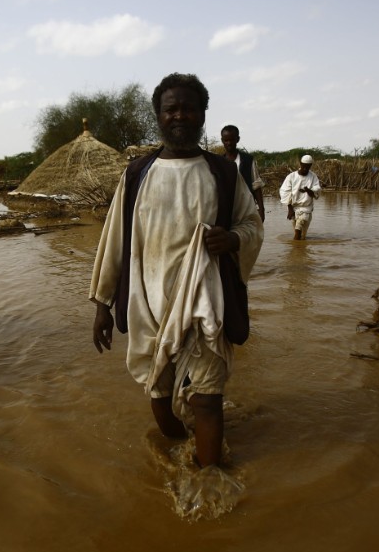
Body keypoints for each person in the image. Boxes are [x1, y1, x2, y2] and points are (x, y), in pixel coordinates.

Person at [89, 73, 263, 468]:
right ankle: (180, 450)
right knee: (161, 400)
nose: (180, 115)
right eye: (171, 109)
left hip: (206, 304)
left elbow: (252, 224)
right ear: (159, 116)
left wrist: (232, 240)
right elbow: (114, 239)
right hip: (148, 304)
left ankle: (208, 477)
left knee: (207, 398)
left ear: (202, 115)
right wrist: (101, 303)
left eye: (189, 108)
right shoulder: (137, 174)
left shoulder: (223, 173)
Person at [220, 125, 265, 222]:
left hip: (247, 208)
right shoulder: (219, 162)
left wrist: (261, 209)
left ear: (238, 139)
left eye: (232, 140)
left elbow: (256, 185)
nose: (229, 143)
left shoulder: (248, 160)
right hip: (227, 210)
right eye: (226, 140)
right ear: (222, 140)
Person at [279, 154, 322, 240]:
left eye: (308, 167)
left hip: (306, 208)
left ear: (310, 166)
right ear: (300, 164)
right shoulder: (291, 177)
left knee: (299, 227)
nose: (305, 168)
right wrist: (290, 209)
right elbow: (285, 192)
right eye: (304, 166)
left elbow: (316, 191)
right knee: (301, 233)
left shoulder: (313, 177)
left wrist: (308, 190)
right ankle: (299, 248)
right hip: (293, 207)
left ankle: (296, 248)